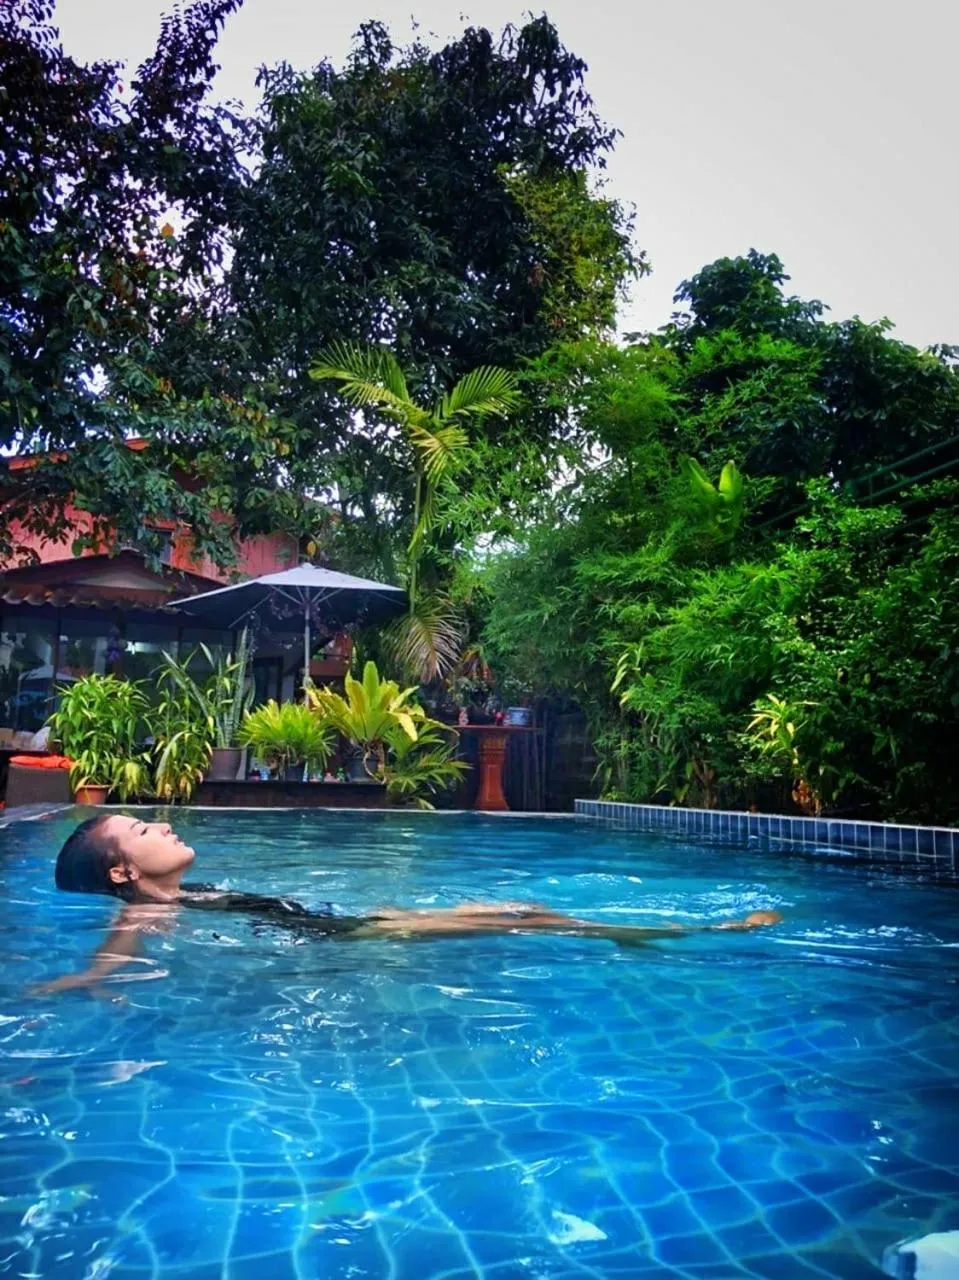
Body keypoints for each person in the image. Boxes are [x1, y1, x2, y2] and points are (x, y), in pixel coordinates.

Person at [37, 816, 783, 995]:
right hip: (356, 939)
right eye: (142, 830)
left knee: (519, 906)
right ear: (126, 873)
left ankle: (622, 936)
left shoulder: (183, 893)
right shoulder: (144, 912)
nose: (162, 825)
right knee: (526, 916)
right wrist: (84, 981)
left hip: (355, 924)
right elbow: (116, 953)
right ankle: (661, 934)